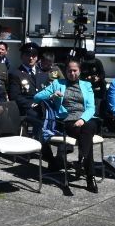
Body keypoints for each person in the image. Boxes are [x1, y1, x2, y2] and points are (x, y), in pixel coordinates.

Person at [34, 59, 98, 193]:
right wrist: (52, 95)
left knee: (89, 127)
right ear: (66, 71)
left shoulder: (86, 85)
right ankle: (90, 175)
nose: (72, 73)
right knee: (87, 137)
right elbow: (37, 97)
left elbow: (91, 108)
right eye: (69, 70)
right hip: (67, 120)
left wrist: (82, 119)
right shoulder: (57, 83)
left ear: (79, 71)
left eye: (75, 70)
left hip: (85, 120)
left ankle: (86, 165)